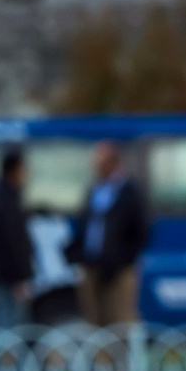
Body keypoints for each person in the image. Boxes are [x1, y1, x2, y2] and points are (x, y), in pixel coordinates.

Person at [68, 140, 148, 327]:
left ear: (113, 163)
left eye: (100, 163)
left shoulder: (130, 192)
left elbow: (141, 231)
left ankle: (121, 356)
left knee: (119, 319)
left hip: (119, 268)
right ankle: (99, 357)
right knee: (94, 320)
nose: (96, 168)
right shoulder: (95, 190)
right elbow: (86, 225)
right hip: (92, 264)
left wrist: (122, 258)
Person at [0, 147, 35, 328]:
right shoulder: (6, 199)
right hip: (8, 276)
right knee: (10, 325)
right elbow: (12, 240)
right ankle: (6, 358)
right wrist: (19, 277)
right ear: (15, 169)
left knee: (3, 322)